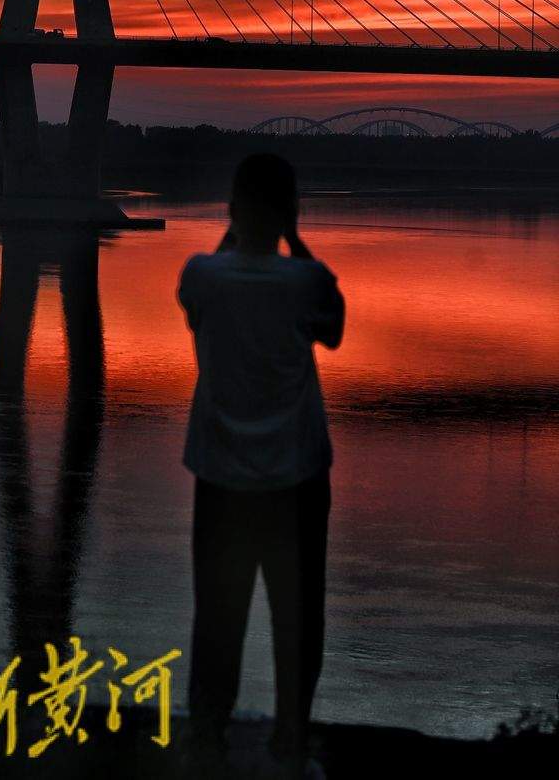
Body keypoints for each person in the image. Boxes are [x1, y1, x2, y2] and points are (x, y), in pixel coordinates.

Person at [178, 153, 345, 777]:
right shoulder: (309, 281)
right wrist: (294, 239)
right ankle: (291, 740)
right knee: (297, 618)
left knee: (218, 614)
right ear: (290, 212)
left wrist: (238, 231)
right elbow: (333, 333)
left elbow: (199, 305)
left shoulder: (201, 276)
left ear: (230, 209)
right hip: (297, 480)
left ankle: (207, 737)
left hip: (220, 479)